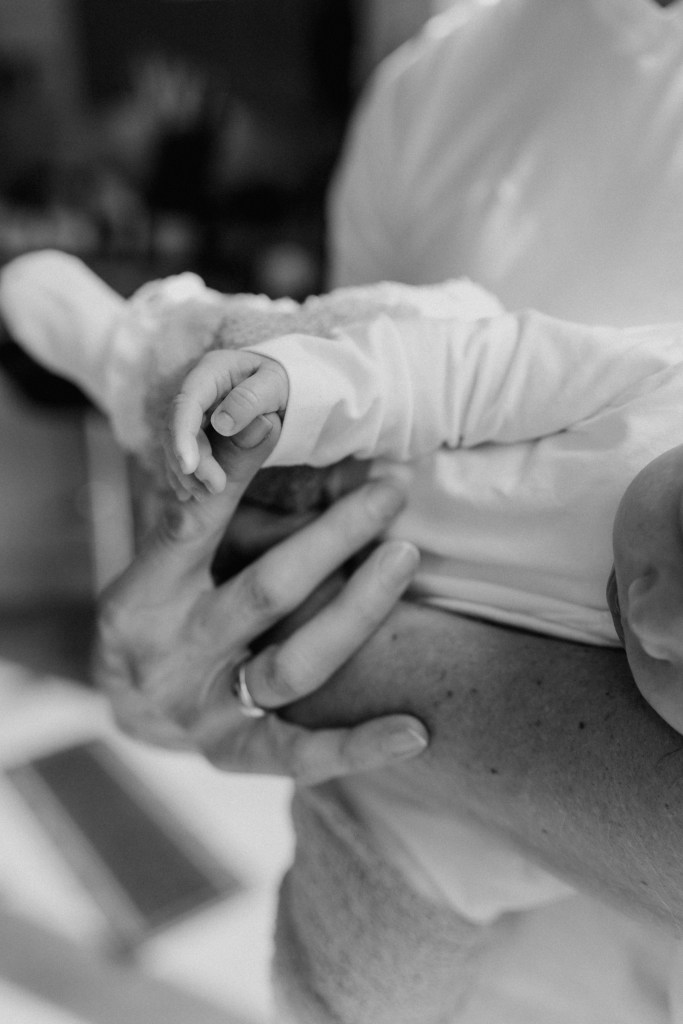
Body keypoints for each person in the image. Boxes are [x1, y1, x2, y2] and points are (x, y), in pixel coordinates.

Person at [9, 0, 683, 1021]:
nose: (658, 624)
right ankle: (120, 344)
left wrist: (342, 674)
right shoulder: (447, 77)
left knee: (351, 972)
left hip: (416, 809)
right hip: (360, 459)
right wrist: (299, 394)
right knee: (299, 354)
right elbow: (445, 372)